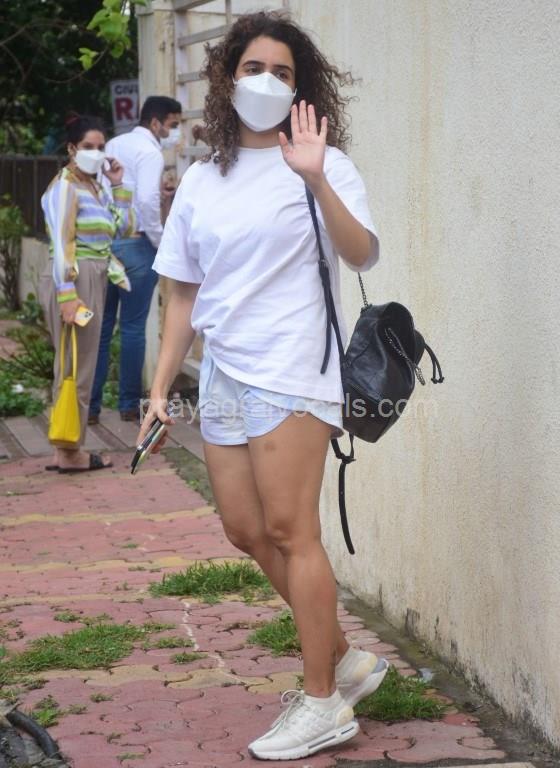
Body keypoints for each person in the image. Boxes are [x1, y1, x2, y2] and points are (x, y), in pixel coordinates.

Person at [138, 11, 387, 761]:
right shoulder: (203, 178)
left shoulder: (324, 164)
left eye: (283, 72)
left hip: (293, 368)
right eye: (254, 68)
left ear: (301, 88)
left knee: (290, 531)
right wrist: (160, 388)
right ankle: (343, 659)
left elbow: (362, 254)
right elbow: (182, 293)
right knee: (244, 529)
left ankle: (323, 702)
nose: (267, 82)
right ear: (227, 77)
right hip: (224, 371)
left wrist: (314, 178)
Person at [39, 115, 134, 472]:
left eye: (100, 147)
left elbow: (122, 229)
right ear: (71, 149)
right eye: (88, 147)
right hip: (75, 279)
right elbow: (62, 242)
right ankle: (70, 453)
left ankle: (64, 446)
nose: (96, 153)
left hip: (93, 276)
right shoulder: (65, 187)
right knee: (75, 367)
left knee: (77, 364)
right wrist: (67, 294)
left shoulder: (94, 186)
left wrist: (119, 186)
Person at [89, 96, 183, 424]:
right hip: (138, 244)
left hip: (106, 242)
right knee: (132, 328)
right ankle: (128, 404)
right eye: (172, 124)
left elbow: (109, 190)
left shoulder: (115, 143)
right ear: (155, 123)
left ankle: (90, 407)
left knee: (102, 329)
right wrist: (160, 241)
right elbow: (145, 201)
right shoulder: (151, 152)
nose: (174, 132)